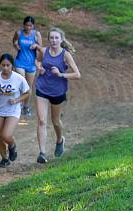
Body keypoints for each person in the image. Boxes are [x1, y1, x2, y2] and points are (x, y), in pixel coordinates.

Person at [34, 27, 81, 164]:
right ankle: (42, 153)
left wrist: (61, 74)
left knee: (55, 121)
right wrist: (39, 68)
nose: (54, 40)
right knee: (42, 120)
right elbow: (37, 61)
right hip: (42, 88)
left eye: (56, 38)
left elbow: (77, 74)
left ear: (61, 39)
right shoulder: (44, 51)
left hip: (58, 91)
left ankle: (60, 140)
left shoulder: (65, 55)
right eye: (52, 38)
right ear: (48, 39)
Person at [0, 53, 30, 167]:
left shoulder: (18, 78)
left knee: (6, 135)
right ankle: (5, 159)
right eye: (3, 65)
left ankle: (12, 145)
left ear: (12, 66)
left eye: (8, 65)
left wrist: (17, 100)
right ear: (0, 65)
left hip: (13, 110)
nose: (5, 68)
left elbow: (28, 93)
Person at [12, 16, 42, 116]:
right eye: (26, 25)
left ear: (33, 26)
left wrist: (36, 46)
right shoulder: (19, 33)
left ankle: (26, 106)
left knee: (29, 87)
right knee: (21, 82)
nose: (28, 27)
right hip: (20, 61)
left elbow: (41, 48)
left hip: (31, 64)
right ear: (23, 25)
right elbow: (14, 41)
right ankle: (18, 104)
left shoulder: (36, 34)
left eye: (30, 26)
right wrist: (16, 45)